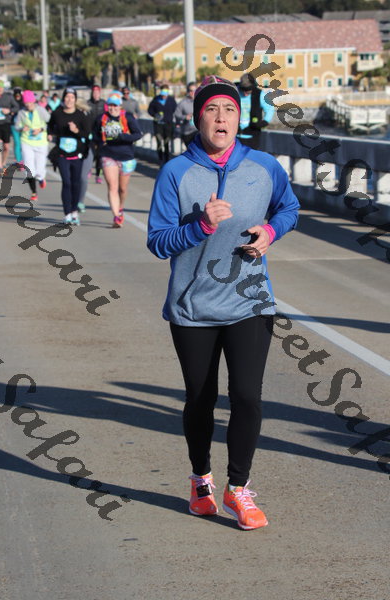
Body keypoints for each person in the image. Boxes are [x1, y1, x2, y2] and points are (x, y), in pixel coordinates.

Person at [147, 76, 299, 530]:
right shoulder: (176, 172)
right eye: (212, 109)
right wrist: (201, 227)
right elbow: (157, 241)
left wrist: (270, 232)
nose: (221, 118)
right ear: (198, 118)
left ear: (239, 118)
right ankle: (201, 480)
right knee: (201, 399)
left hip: (250, 301)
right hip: (193, 308)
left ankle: (238, 488)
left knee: (247, 397)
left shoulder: (264, 166)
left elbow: (289, 209)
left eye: (229, 110)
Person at [94, 91, 142, 228]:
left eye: (115, 105)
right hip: (108, 155)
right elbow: (94, 135)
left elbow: (138, 134)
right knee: (112, 186)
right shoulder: (101, 118)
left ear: (120, 106)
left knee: (122, 189)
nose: (112, 108)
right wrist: (101, 142)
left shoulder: (128, 117)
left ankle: (120, 207)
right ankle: (116, 216)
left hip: (126, 156)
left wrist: (124, 137)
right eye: (110, 105)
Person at [47, 87, 88, 225]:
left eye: (72, 97)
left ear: (75, 99)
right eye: (67, 97)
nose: (69, 100)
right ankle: (67, 213)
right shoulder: (57, 114)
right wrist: (49, 134)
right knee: (66, 182)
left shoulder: (80, 115)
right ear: (63, 99)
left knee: (76, 183)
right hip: (62, 154)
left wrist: (76, 130)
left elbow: (86, 133)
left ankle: (74, 212)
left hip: (77, 155)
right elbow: (50, 126)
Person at [14, 90, 50, 202]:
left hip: (41, 143)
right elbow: (16, 126)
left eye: (30, 103)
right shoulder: (21, 113)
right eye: (26, 103)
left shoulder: (41, 110)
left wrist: (41, 129)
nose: (28, 105)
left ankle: (41, 178)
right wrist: (21, 128)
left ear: (34, 101)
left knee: (39, 170)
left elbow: (50, 122)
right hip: (27, 142)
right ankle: (34, 192)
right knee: (29, 169)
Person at [237, 72, 274, 150]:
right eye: (243, 90)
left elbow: (270, 109)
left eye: (248, 90)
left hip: (252, 135)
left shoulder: (260, 94)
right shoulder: (235, 91)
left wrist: (265, 122)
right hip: (235, 135)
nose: (245, 94)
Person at [0, 79, 20, 176]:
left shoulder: (9, 96)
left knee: (6, 146)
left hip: (6, 123)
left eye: (1, 87)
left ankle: (3, 163)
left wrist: (9, 111)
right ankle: (0, 168)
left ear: (3, 88)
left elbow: (16, 107)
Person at [147, 84, 177, 164]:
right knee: (159, 142)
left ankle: (166, 160)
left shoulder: (171, 100)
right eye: (163, 93)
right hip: (158, 125)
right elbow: (150, 110)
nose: (164, 95)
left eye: (166, 93)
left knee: (167, 143)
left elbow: (175, 110)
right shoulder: (155, 99)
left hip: (168, 125)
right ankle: (160, 159)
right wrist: (155, 114)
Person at [88, 84, 105, 184]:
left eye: (97, 92)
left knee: (100, 155)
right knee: (91, 152)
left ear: (100, 93)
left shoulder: (104, 103)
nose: (95, 94)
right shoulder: (88, 103)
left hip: (101, 132)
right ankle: (89, 168)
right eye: (94, 92)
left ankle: (98, 175)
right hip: (90, 131)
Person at [174, 81, 197, 148]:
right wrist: (185, 117)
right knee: (191, 151)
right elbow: (176, 115)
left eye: (195, 90)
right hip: (187, 132)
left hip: (198, 131)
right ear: (187, 91)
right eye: (190, 91)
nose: (193, 92)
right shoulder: (182, 103)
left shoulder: (201, 101)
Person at [11, 87, 25, 169]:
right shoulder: (11, 102)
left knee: (23, 143)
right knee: (17, 143)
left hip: (23, 126)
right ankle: (19, 161)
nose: (17, 97)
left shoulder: (24, 103)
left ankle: (22, 160)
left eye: (19, 95)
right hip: (14, 125)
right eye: (16, 96)